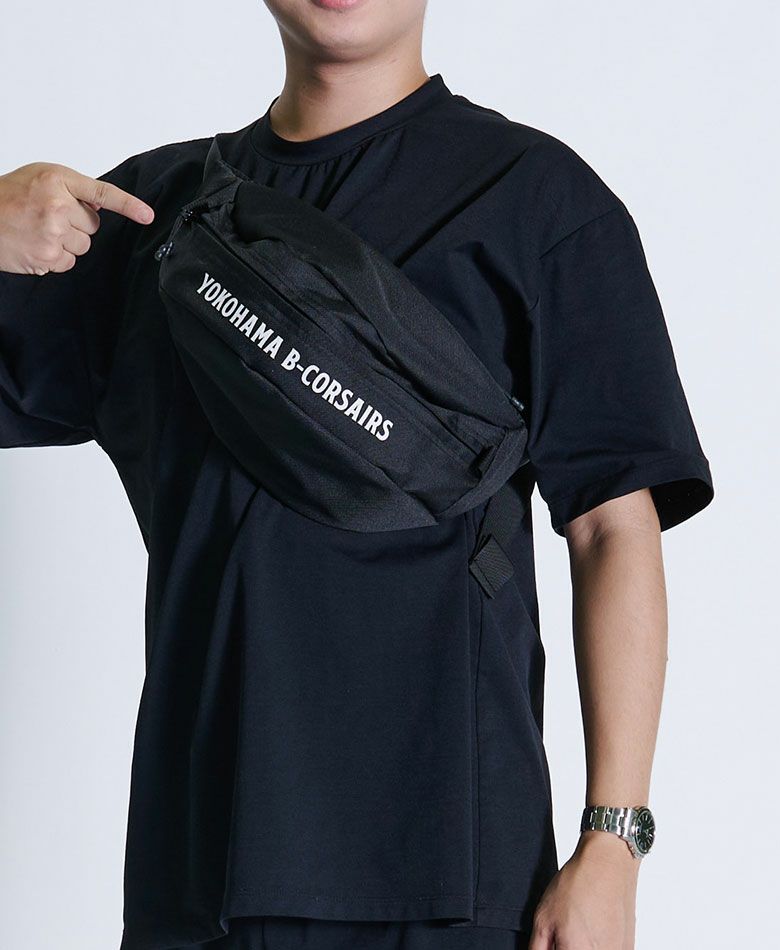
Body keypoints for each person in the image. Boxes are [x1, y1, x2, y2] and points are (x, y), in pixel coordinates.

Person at [0, 1, 715, 949]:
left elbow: (613, 525)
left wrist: (613, 842)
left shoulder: (537, 200)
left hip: (452, 875)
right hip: (201, 874)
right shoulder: (145, 216)